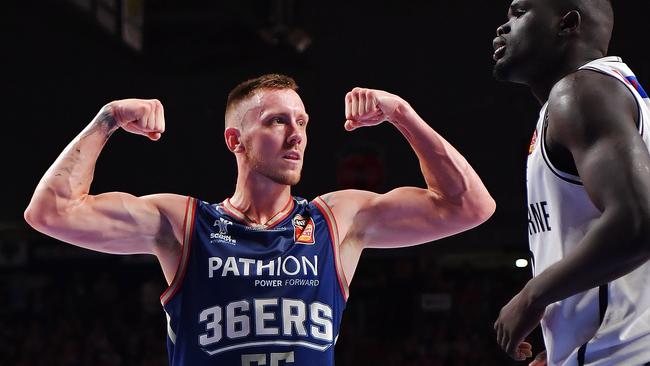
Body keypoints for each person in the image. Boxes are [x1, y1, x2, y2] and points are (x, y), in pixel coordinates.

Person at [24, 74, 495, 365]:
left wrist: (402, 114)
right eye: (276, 121)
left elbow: (469, 206)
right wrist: (106, 120)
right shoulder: (186, 224)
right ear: (236, 140)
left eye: (302, 122)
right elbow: (51, 213)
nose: (297, 136)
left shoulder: (336, 219)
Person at [491, 0, 650, 365]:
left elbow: (639, 223)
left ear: (568, 24)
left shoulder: (580, 92)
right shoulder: (614, 97)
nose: (504, 27)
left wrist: (532, 295)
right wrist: (568, 342)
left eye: (519, 13)